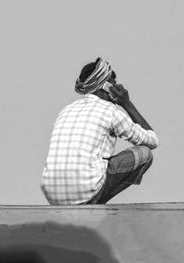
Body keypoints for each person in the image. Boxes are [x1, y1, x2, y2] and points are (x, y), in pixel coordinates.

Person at [40, 57, 159, 205]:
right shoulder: (110, 111)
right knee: (145, 153)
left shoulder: (65, 110)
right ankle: (95, 206)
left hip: (52, 194)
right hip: (86, 189)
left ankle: (88, 201)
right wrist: (127, 104)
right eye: (114, 83)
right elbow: (152, 140)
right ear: (106, 86)